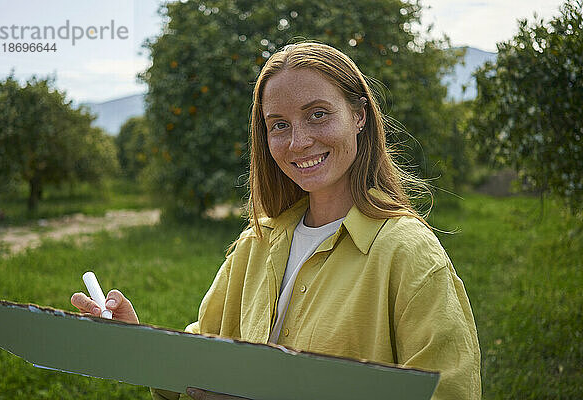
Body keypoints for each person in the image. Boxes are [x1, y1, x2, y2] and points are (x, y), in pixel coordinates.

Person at [71, 41, 481, 400]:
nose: (298, 141)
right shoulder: (257, 244)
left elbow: (449, 392)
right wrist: (136, 343)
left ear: (359, 115)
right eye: (279, 125)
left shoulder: (409, 253)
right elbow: (198, 359)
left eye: (318, 114)